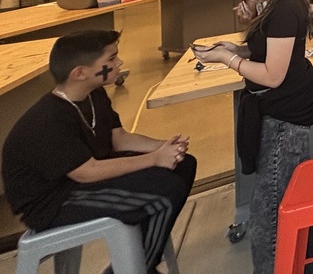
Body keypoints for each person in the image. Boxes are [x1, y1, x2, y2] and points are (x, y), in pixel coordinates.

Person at [2, 30, 196, 274]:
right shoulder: (49, 120)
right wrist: (155, 159)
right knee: (163, 190)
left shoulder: (94, 94)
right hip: (54, 202)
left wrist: (165, 147)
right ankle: (138, 267)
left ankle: (137, 263)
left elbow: (119, 139)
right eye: (111, 59)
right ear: (80, 73)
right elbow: (87, 172)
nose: (119, 63)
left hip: (80, 180)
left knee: (184, 164)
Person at [194, 0, 313, 274]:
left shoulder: (283, 10)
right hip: (286, 107)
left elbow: (272, 75)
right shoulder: (277, 1)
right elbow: (267, 51)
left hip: (285, 114)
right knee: (295, 190)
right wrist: (237, 46)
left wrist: (228, 59)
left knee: (269, 206)